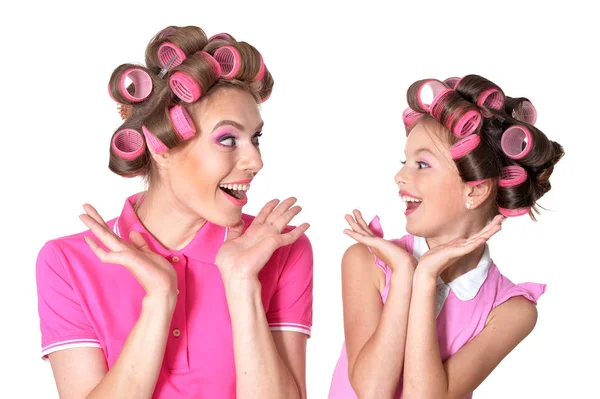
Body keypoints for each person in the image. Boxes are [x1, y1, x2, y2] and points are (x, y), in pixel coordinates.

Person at [36, 25, 313, 399]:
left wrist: (243, 283)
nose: (255, 161)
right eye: (227, 139)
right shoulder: (68, 262)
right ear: (160, 148)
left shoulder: (280, 248)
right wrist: (159, 300)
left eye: (256, 138)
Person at [329, 75, 563, 399]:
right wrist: (402, 277)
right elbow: (371, 390)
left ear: (475, 189)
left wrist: (424, 277)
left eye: (422, 164)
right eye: (404, 161)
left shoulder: (510, 311)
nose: (400, 176)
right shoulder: (367, 261)